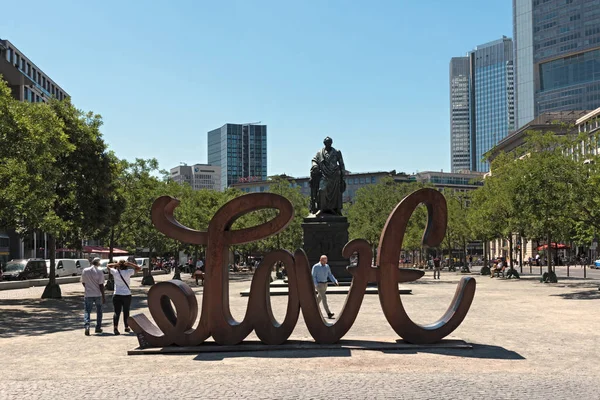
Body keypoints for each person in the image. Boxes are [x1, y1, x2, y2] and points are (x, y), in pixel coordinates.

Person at [309, 136, 346, 215]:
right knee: (321, 190)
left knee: (336, 194)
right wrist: (315, 165)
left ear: (331, 143)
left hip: (335, 176)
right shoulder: (320, 152)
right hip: (324, 175)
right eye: (326, 143)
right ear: (324, 143)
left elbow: (342, 164)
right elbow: (314, 160)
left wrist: (343, 177)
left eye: (329, 143)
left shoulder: (337, 152)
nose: (328, 144)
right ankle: (321, 208)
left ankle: (335, 209)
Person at [107, 260, 141, 335]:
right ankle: (126, 327)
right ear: (126, 266)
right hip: (126, 295)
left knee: (117, 312)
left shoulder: (115, 272)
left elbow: (108, 265)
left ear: (119, 266)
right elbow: (138, 268)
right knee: (126, 311)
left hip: (117, 294)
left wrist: (117, 264)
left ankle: (115, 327)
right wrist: (130, 263)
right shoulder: (128, 272)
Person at [81, 258, 106, 336]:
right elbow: (101, 285)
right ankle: (98, 327)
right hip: (98, 294)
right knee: (99, 311)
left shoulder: (85, 270)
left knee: (87, 311)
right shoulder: (99, 272)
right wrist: (103, 296)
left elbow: (83, 282)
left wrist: (88, 288)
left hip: (88, 294)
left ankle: (87, 326)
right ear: (98, 264)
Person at [311, 255, 339, 319]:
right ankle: (328, 313)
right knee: (324, 298)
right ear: (320, 260)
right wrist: (316, 284)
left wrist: (335, 281)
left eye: (326, 260)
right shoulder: (316, 266)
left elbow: (330, 274)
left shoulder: (327, 266)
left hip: (325, 284)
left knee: (319, 298)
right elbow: (313, 276)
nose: (326, 261)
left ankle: (313, 310)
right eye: (324, 260)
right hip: (319, 285)